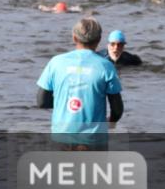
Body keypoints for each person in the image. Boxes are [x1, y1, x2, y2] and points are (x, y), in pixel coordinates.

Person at [36, 17, 123, 147]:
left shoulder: (56, 62)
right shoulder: (106, 66)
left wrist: (64, 103)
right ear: (99, 40)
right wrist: (111, 121)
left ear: (74, 38)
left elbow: (42, 102)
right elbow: (117, 109)